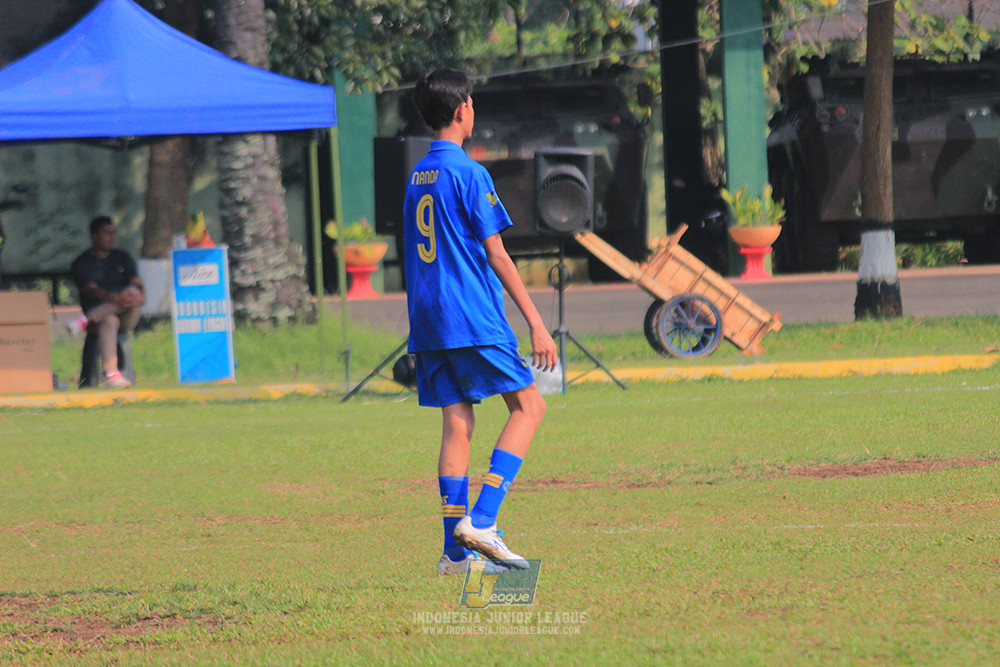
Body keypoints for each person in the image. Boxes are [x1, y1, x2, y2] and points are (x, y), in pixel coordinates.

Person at [403, 68, 559, 576]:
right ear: (461, 110)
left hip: (429, 320)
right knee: (529, 405)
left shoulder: (417, 175)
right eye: (471, 101)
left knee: (457, 420)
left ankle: (454, 552)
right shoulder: (469, 173)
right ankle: (484, 520)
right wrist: (536, 321)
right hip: (471, 315)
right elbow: (499, 256)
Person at [70, 216, 145, 389]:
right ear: (94, 236)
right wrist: (113, 298)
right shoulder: (82, 263)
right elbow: (90, 289)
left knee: (132, 292)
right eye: (107, 233)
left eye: (114, 233)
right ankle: (111, 375)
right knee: (110, 320)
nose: (112, 237)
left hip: (129, 313)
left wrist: (139, 295)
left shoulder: (122, 257)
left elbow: (136, 282)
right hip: (100, 318)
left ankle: (84, 320)